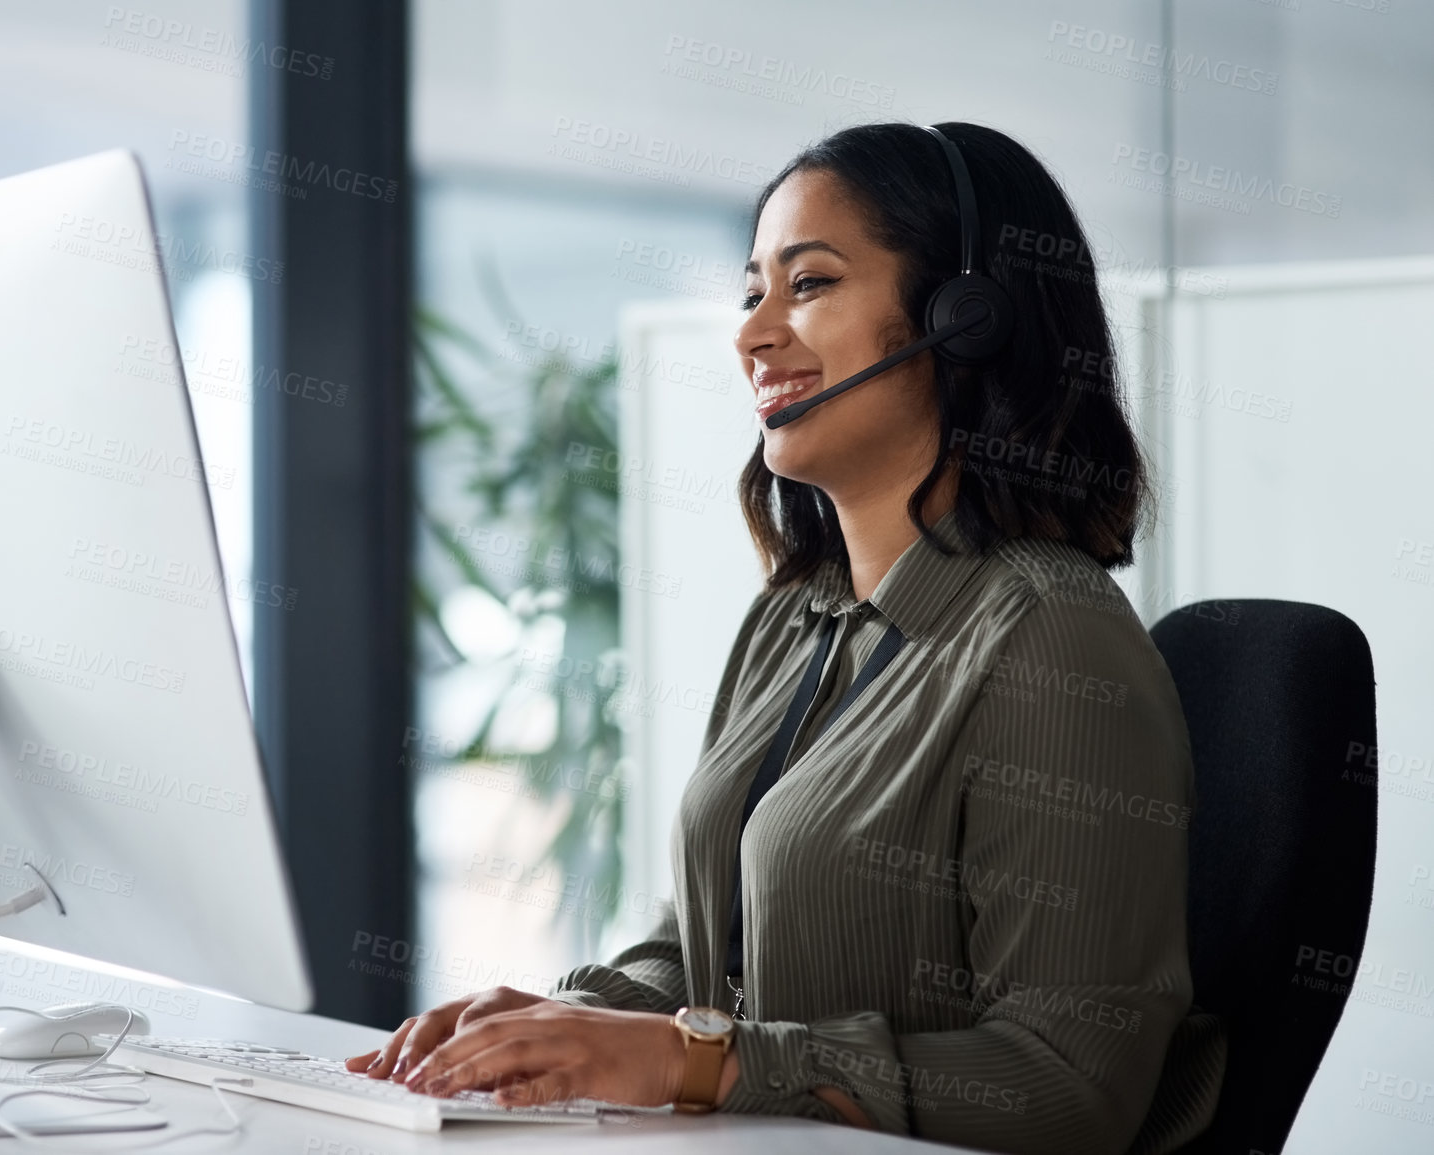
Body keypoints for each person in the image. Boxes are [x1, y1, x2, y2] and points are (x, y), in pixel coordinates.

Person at [346, 121, 1226, 1154]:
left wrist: (701, 1066)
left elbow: (1072, 1085)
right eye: (751, 292)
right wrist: (565, 1020)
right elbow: (703, 950)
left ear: (965, 317)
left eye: (808, 284)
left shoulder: (1047, 639)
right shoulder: (796, 616)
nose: (753, 334)